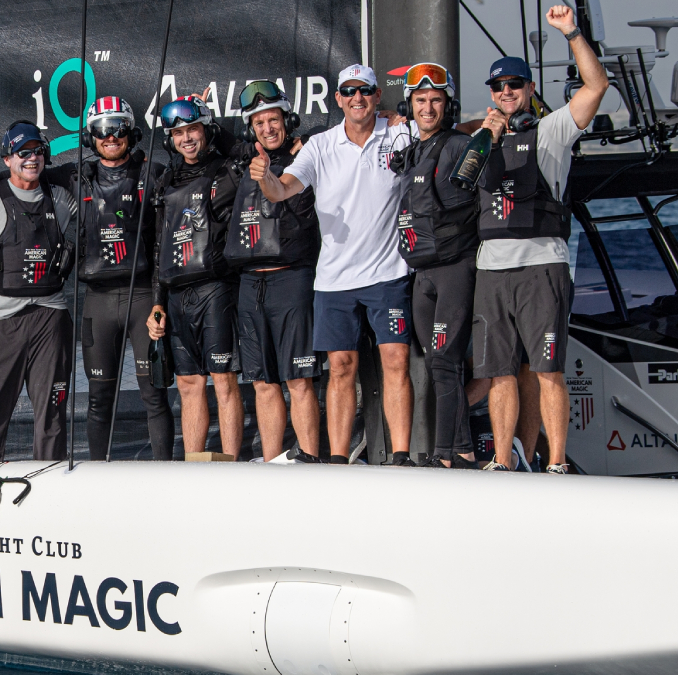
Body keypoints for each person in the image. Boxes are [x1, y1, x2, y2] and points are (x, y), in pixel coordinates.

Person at [0, 97, 175, 462]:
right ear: (91, 135)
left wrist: (159, 299)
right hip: (95, 300)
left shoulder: (151, 172)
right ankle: (92, 476)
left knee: (152, 394)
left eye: (119, 128)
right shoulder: (75, 178)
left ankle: (164, 475)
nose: (112, 136)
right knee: (96, 399)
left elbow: (193, 172)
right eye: (103, 130)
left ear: (132, 131)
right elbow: (25, 174)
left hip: (137, 296)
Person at [466, 5, 609, 472]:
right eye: (498, 86)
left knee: (547, 370)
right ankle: (504, 462)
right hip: (492, 269)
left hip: (541, 263)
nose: (506, 92)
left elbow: (595, 88)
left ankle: (557, 463)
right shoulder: (481, 138)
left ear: (529, 89)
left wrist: (571, 33)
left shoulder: (551, 130)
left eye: (515, 84)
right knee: (499, 372)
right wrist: (485, 135)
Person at [252, 64, 414, 464]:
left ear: (377, 96)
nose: (357, 98)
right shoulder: (320, 145)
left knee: (396, 360)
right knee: (341, 368)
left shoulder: (398, 133)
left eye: (365, 91)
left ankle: (401, 457)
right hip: (335, 279)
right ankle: (339, 462)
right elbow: (282, 190)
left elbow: (443, 133)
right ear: (338, 99)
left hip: (388, 273)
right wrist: (264, 178)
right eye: (348, 92)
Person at [390, 63, 506, 468]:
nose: (427, 107)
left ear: (448, 105)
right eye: (420, 100)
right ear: (410, 106)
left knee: (445, 362)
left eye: (435, 100)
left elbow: (489, 177)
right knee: (438, 367)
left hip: (455, 269)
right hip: (421, 275)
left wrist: (489, 133)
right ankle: (455, 452)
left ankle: (450, 454)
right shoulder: (412, 152)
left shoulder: (459, 145)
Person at [0, 122, 77, 462]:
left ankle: (50, 492)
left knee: (52, 415)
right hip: (1, 323)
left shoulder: (62, 198)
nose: (32, 158)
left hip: (50, 319)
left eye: (39, 151)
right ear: (8, 157)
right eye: (23, 152)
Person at [146, 96, 245, 458]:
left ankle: (231, 463)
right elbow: (158, 246)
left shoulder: (227, 170)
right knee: (188, 384)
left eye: (193, 129)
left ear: (207, 130)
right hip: (175, 295)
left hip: (216, 289)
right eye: (178, 133)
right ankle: (193, 465)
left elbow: (253, 154)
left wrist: (223, 130)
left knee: (223, 381)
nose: (186, 139)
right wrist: (157, 302)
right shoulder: (166, 180)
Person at [230, 82, 322, 461]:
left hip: (292, 278)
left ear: (288, 121)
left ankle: (312, 459)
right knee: (263, 382)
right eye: (260, 122)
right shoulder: (240, 158)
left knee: (298, 379)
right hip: (250, 284)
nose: (268, 128)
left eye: (274, 120)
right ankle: (271, 464)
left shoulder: (309, 156)